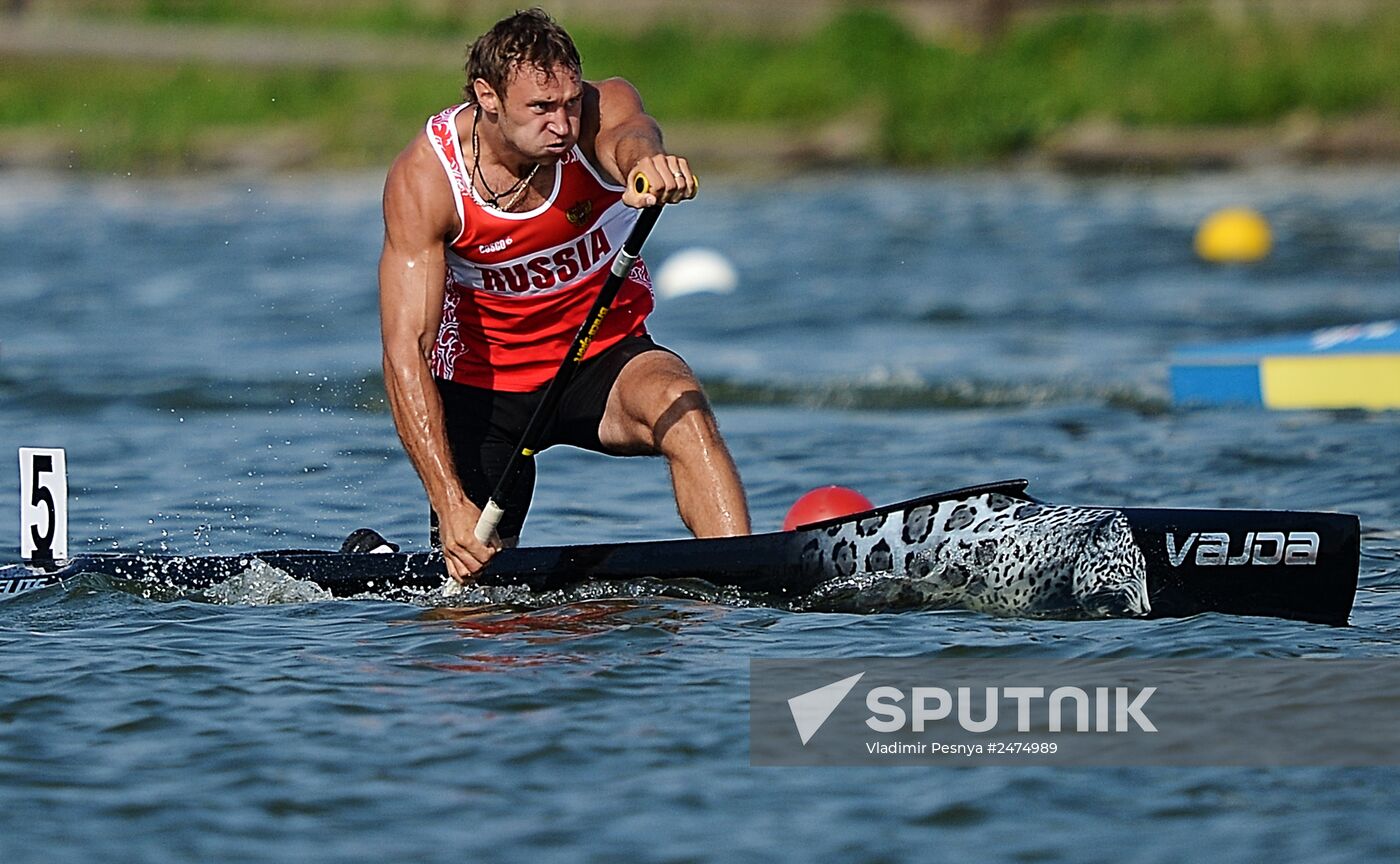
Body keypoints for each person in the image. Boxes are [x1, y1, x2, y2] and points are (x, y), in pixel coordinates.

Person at [378, 8, 750, 583]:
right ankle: (385, 561)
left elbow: (631, 135)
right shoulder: (427, 178)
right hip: (486, 391)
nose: (562, 124)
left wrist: (646, 163)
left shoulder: (599, 111)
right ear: (489, 97)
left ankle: (745, 576)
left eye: (570, 103)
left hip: (603, 359)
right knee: (476, 609)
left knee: (682, 405)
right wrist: (450, 501)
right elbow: (407, 349)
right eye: (542, 108)